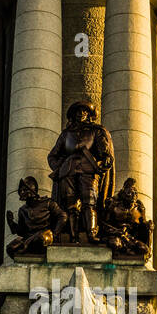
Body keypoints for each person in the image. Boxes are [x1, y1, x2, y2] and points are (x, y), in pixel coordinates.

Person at [47, 100, 114, 243]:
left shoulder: (96, 131)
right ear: (73, 115)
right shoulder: (66, 134)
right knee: (71, 205)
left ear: (89, 114)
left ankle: (91, 234)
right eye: (78, 111)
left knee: (89, 202)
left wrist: (106, 159)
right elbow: (53, 155)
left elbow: (104, 152)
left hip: (88, 170)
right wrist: (59, 167)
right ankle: (73, 236)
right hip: (68, 171)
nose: (81, 114)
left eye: (84, 111)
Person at [6, 176, 66, 257]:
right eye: (20, 190)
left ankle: (25, 246)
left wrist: (55, 234)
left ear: (32, 190)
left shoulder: (48, 203)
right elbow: (21, 231)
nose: (22, 192)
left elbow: (62, 216)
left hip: (45, 235)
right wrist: (11, 222)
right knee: (10, 248)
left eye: (24, 190)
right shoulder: (22, 210)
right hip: (30, 237)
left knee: (41, 238)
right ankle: (25, 246)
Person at [100, 177, 153, 258]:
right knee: (115, 244)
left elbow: (142, 225)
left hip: (130, 237)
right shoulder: (113, 204)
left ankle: (129, 252)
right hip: (115, 235)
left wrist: (148, 225)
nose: (132, 195)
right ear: (124, 193)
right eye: (129, 192)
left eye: (134, 192)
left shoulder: (138, 208)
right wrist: (116, 232)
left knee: (144, 249)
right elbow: (104, 223)